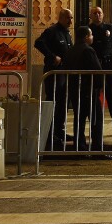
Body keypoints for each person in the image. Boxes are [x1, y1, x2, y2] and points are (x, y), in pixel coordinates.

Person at [34, 8, 73, 150]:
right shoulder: (52, 31)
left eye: (71, 18)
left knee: (63, 104)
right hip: (53, 73)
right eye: (68, 18)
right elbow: (38, 43)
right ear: (61, 18)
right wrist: (52, 56)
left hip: (64, 73)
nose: (70, 21)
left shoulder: (67, 33)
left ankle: (59, 131)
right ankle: (50, 134)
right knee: (54, 102)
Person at [88, 6, 112, 139]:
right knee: (93, 99)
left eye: (99, 13)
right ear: (91, 16)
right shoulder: (88, 30)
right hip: (94, 67)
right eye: (95, 13)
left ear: (103, 15)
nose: (97, 15)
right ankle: (95, 129)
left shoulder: (110, 28)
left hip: (108, 65)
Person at [64, 25, 103, 151]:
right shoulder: (88, 50)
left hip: (75, 90)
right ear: (86, 37)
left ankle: (79, 146)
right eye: (91, 35)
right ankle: (97, 148)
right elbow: (97, 70)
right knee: (96, 120)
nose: (92, 37)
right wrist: (99, 86)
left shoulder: (71, 50)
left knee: (79, 119)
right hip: (88, 90)